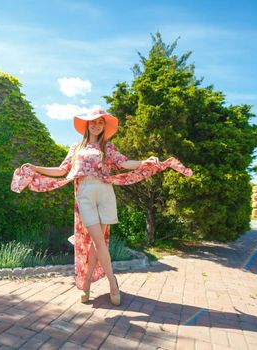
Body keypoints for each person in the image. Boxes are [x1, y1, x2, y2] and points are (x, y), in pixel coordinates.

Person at [11, 107, 193, 306]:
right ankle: (112, 283)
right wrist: (37, 168)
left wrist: (144, 161)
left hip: (105, 192)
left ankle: (87, 283)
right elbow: (62, 170)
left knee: (97, 243)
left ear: (104, 126)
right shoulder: (76, 148)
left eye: (100, 123)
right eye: (93, 122)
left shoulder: (109, 148)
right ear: (87, 124)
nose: (96, 125)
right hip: (85, 194)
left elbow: (124, 163)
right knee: (98, 241)